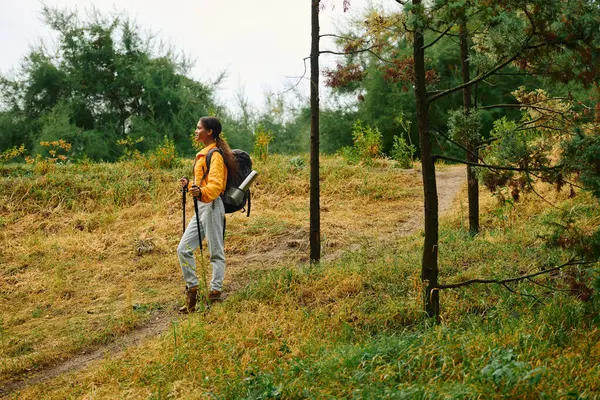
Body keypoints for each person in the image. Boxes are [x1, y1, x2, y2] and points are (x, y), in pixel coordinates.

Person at [178, 116, 237, 313]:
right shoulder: (203, 154)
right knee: (183, 249)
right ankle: (192, 289)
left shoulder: (215, 155)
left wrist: (201, 192)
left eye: (198, 128)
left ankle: (215, 292)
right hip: (201, 206)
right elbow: (202, 183)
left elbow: (216, 185)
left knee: (215, 251)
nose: (196, 131)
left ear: (209, 132)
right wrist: (190, 186)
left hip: (212, 205)